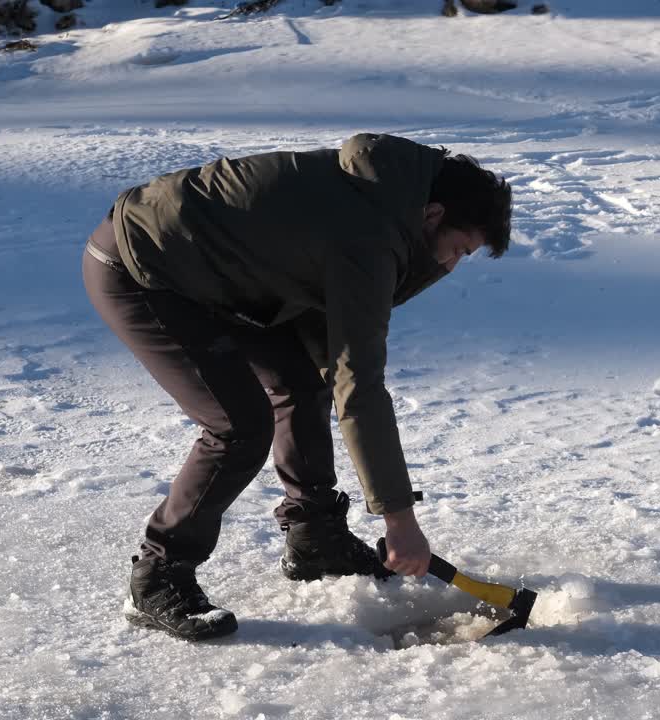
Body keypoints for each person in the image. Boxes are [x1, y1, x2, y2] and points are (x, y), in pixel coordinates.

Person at [81, 133, 512, 640]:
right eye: (459, 250)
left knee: (300, 380)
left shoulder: (391, 200)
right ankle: (156, 577)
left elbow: (328, 342)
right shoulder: (369, 235)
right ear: (434, 215)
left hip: (221, 276)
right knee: (237, 425)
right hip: (140, 268)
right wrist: (398, 520)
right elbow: (360, 385)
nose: (450, 266)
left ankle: (315, 536)